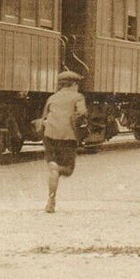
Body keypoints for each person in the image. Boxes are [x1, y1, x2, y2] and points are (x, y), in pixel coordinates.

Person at [39, 70, 88, 213]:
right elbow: (82, 113)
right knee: (68, 170)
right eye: (77, 84)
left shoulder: (52, 98)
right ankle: (57, 169)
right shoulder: (77, 97)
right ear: (73, 84)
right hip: (68, 137)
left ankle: (51, 201)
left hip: (50, 136)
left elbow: (44, 117)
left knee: (52, 167)